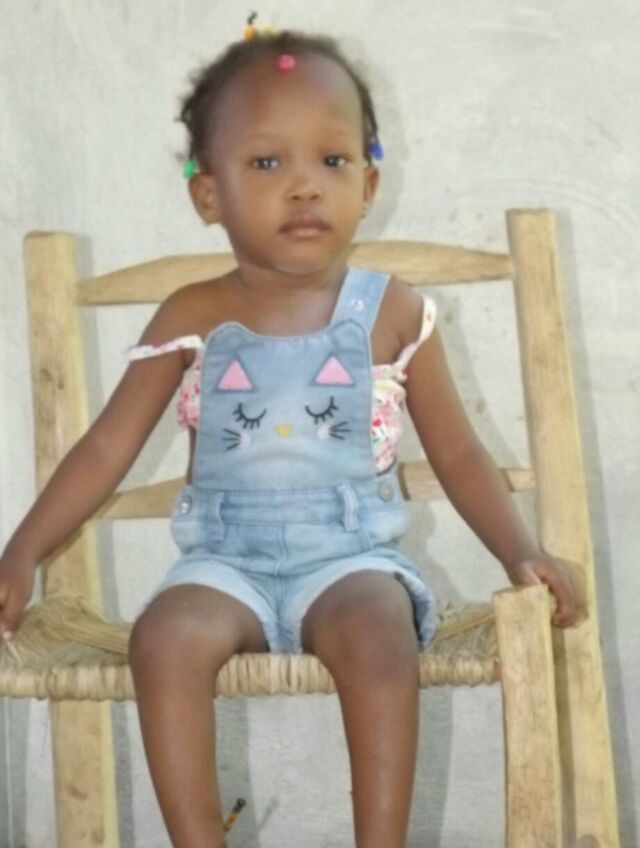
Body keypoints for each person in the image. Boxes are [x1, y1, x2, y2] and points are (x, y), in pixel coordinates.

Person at [0, 26, 584, 848]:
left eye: (332, 160)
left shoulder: (393, 311)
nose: (305, 186)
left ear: (368, 183)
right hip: (222, 567)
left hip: (349, 561)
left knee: (379, 631)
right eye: (268, 162)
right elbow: (105, 449)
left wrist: (519, 552)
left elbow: (457, 453)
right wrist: (22, 551)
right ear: (208, 195)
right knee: (163, 638)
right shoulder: (191, 315)